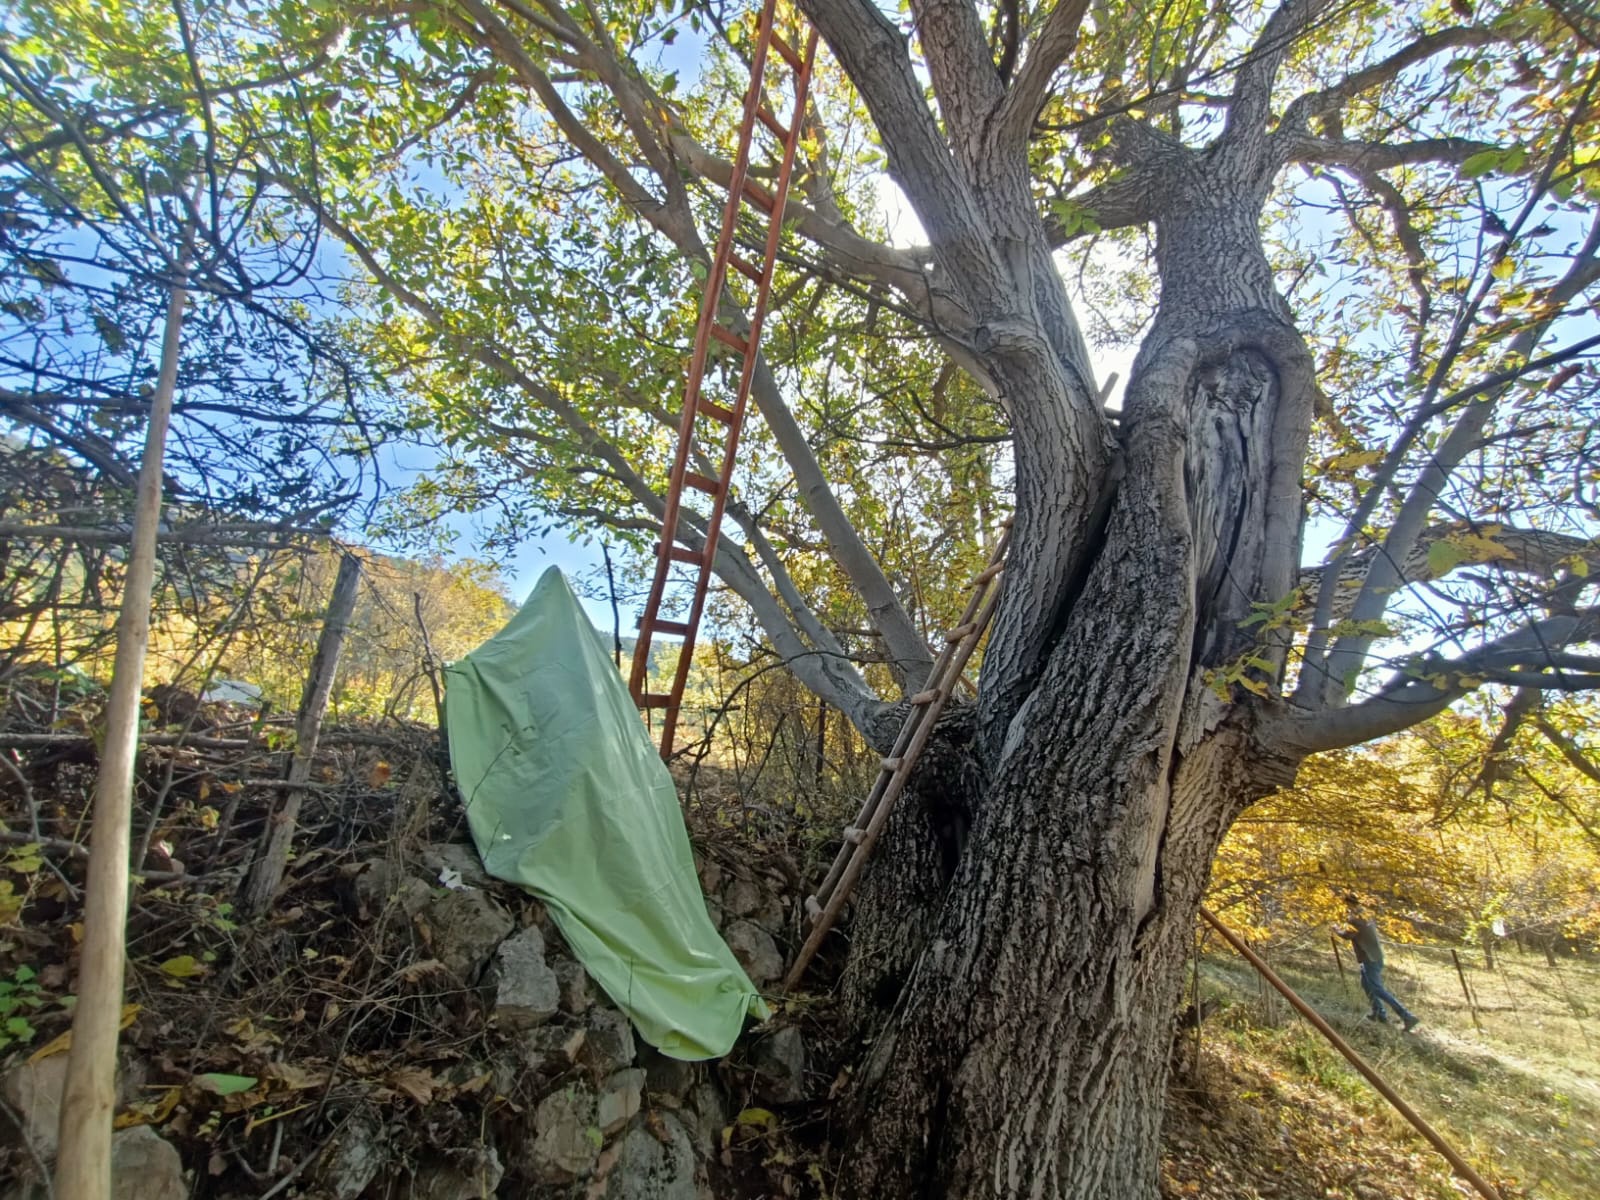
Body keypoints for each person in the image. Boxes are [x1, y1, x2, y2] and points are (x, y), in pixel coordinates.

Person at [1337, 894, 1420, 1032]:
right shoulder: (1365, 915)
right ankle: (1379, 1013)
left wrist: (1336, 929)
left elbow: (1347, 935)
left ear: (1349, 904)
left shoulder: (1356, 919)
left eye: (1345, 904)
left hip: (1370, 958)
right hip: (1373, 956)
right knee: (1366, 984)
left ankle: (1407, 1016)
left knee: (1377, 988)